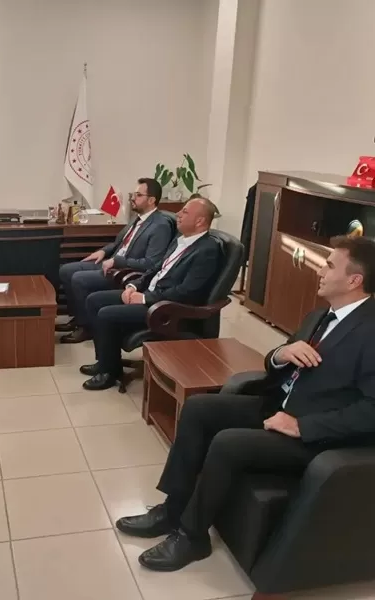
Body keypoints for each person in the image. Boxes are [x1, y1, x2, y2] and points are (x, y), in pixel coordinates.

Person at [116, 235, 375, 573]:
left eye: (329, 266)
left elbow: (371, 411)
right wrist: (282, 354)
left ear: (355, 280)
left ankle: (193, 537)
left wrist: (302, 426)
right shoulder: (320, 316)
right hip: (279, 404)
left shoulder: (370, 331)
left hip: (316, 435)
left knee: (228, 443)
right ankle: (173, 508)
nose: (320, 271)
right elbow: (273, 361)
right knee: (199, 408)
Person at [80, 197, 221, 390]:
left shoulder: (207, 250)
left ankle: (109, 372)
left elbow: (187, 292)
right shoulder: (180, 240)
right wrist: (134, 286)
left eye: (185, 212)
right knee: (94, 300)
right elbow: (155, 269)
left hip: (166, 309)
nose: (178, 214)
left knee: (106, 314)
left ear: (200, 221)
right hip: (150, 294)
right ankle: (105, 360)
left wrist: (145, 298)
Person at [56, 178, 174, 343]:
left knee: (78, 279)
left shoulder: (160, 225)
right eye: (133, 194)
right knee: (65, 270)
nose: (132, 198)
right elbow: (120, 242)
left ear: (151, 200)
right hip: (112, 262)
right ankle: (79, 318)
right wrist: (103, 251)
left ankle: (87, 328)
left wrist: (117, 261)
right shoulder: (138, 218)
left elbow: (151, 263)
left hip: (125, 271)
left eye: (138, 195)